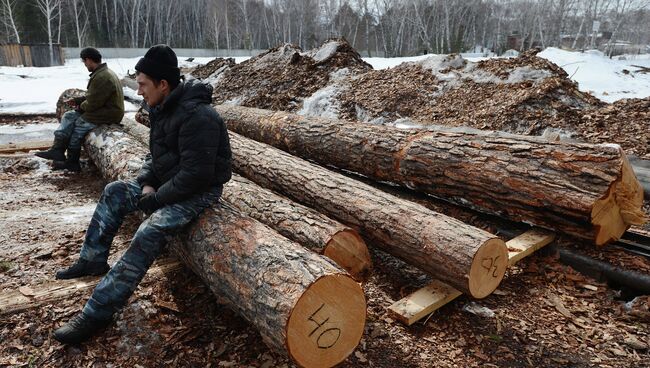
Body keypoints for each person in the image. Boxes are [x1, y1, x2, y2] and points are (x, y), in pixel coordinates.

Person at [52, 44, 232, 344]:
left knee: (150, 229)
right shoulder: (162, 107)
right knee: (115, 191)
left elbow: (196, 175)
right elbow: (156, 156)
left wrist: (156, 199)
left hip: (200, 191)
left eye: (143, 84)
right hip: (169, 182)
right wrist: (148, 182)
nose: (139, 91)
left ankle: (98, 311)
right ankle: (93, 259)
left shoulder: (199, 116)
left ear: (163, 84)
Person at [35, 47, 124, 172]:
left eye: (84, 62)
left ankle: (72, 162)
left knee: (78, 126)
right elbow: (93, 96)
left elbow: (93, 103)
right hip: (104, 109)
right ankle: (57, 150)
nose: (85, 65)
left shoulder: (102, 77)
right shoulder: (102, 73)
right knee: (68, 116)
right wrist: (77, 101)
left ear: (88, 60)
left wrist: (80, 106)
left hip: (107, 113)